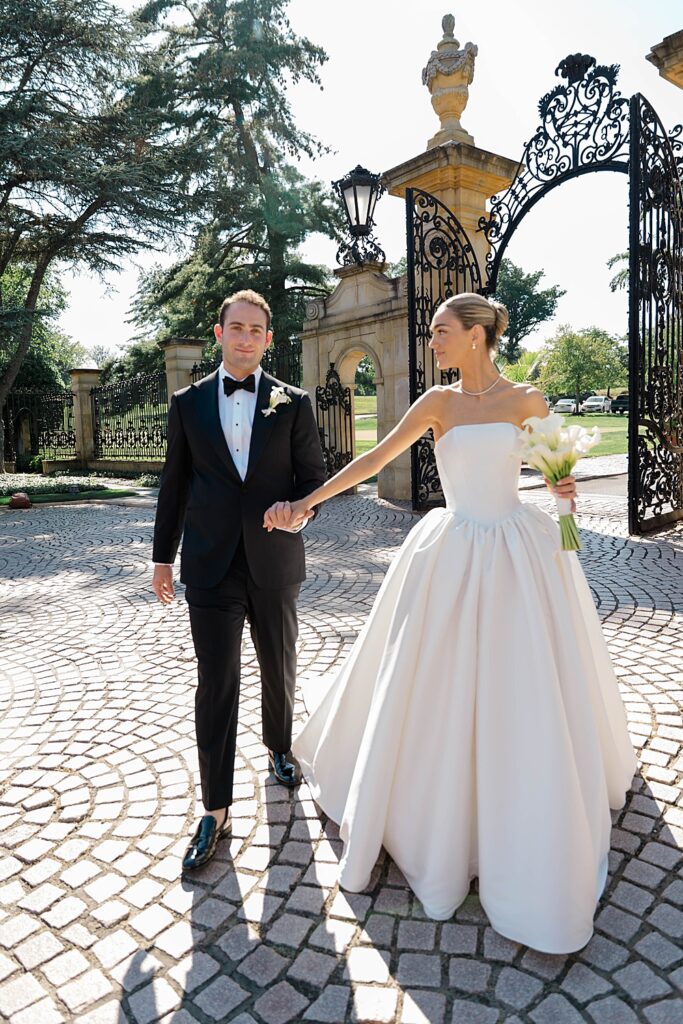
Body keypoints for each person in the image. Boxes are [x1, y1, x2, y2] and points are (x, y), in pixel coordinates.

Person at [264, 293, 636, 954]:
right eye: (433, 332)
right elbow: (373, 459)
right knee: (437, 680)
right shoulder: (435, 404)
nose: (432, 341)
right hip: (453, 553)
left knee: (523, 682)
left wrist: (564, 495)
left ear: (475, 335)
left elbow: (556, 480)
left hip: (519, 555)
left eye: (440, 332)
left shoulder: (527, 400)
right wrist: (304, 503)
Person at [152, 289, 326, 871]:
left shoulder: (294, 402)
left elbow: (314, 482)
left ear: (268, 339)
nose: (247, 337)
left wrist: (301, 510)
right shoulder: (188, 403)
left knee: (279, 663)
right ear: (220, 331)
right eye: (237, 327)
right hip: (210, 564)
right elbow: (174, 485)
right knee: (216, 683)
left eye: (257, 330)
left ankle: (279, 747)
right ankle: (216, 810)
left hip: (275, 560)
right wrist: (162, 557)